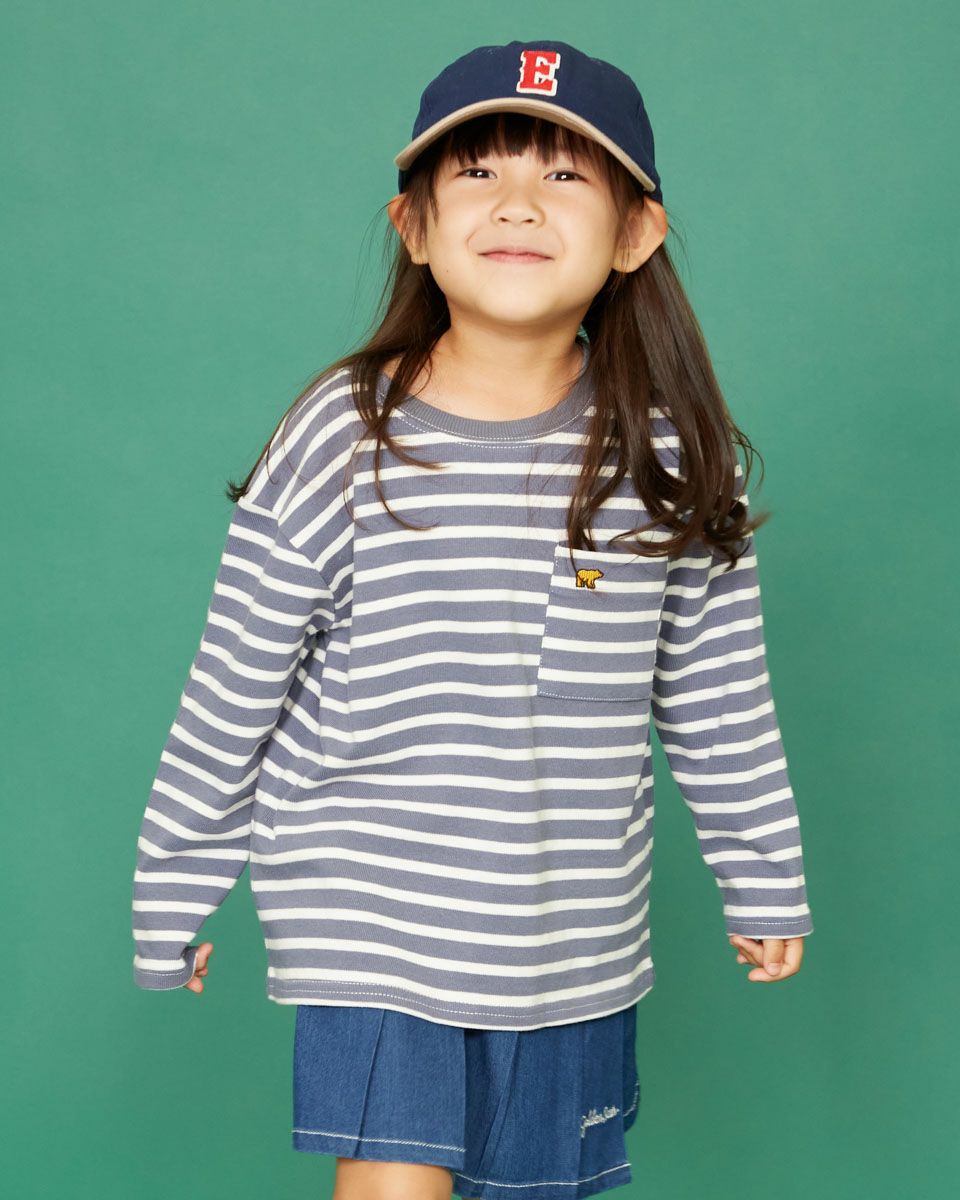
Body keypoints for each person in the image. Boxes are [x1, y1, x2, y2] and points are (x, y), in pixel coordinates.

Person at [130, 39, 814, 1200]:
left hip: (571, 932)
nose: (517, 204)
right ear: (414, 225)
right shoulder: (342, 435)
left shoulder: (667, 459)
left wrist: (763, 876)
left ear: (637, 233)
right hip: (371, 913)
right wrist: (175, 882)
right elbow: (235, 680)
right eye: (479, 173)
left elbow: (718, 698)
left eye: (564, 176)